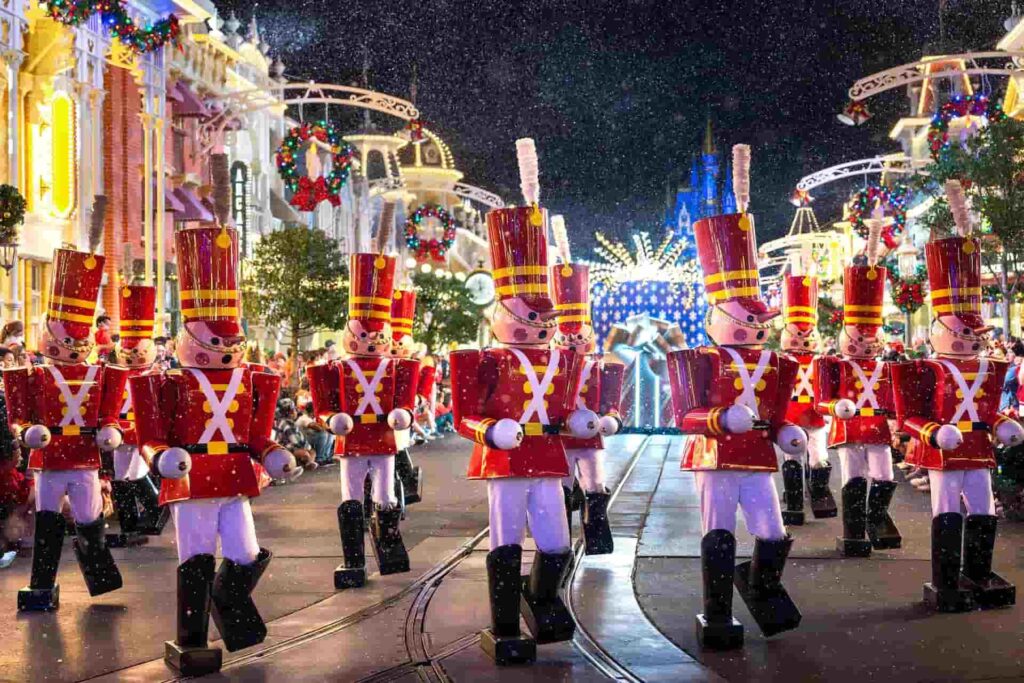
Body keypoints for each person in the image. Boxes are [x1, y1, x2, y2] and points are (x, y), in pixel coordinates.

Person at [130, 225, 299, 676]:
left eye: (231, 340)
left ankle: (225, 602)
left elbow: (258, 434)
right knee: (197, 557)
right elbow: (149, 436)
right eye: (215, 340)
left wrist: (272, 453)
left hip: (235, 477)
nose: (226, 350)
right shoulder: (167, 382)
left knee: (246, 554)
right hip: (191, 477)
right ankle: (193, 640)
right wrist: (160, 456)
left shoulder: (254, 379)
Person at [449, 199, 597, 665]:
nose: (541, 325)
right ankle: (506, 625)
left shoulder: (563, 360)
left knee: (557, 544)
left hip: (548, 458)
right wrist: (491, 431)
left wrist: (577, 421)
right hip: (505, 460)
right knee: (506, 541)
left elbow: (566, 407)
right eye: (532, 316)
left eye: (544, 318)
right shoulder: (486, 360)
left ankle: (539, 596)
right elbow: (463, 417)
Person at [667, 149, 804, 651]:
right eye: (747, 317)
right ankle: (718, 611)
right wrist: (722, 418)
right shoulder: (698, 359)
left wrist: (787, 431)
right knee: (719, 532)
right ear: (720, 315)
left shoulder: (778, 364)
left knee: (773, 533)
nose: (756, 327)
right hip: (715, 454)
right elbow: (684, 416)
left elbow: (779, 414)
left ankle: (760, 584)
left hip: (758, 457)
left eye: (758, 319)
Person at [893, 183, 1020, 613]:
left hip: (978, 449)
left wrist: (1002, 423)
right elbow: (908, 417)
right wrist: (933, 432)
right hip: (944, 451)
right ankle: (947, 579)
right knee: (946, 512)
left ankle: (978, 573)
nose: (973, 338)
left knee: (983, 512)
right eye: (965, 330)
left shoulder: (990, 367)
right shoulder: (926, 368)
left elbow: (988, 409)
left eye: (976, 331)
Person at [2, 249, 128, 611]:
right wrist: (27, 432)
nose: (74, 347)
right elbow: (18, 416)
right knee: (48, 519)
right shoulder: (34, 375)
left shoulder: (101, 374)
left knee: (89, 519)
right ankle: (42, 583)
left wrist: (110, 430)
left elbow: (109, 415)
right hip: (49, 459)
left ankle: (99, 578)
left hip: (83, 457)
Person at [306, 251, 420, 590]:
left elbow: (406, 401)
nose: (371, 342)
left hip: (383, 438)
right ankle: (354, 559)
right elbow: (323, 407)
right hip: (352, 440)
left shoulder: (397, 368)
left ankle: (389, 549)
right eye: (365, 335)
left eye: (377, 336)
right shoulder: (336, 369)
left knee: (385, 495)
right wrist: (332, 419)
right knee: (351, 497)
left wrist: (404, 414)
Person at [815, 225, 901, 558]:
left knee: (884, 476)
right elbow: (822, 402)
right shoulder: (834, 365)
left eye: (871, 336)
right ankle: (853, 531)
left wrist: (895, 420)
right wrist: (836, 407)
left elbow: (893, 401)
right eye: (859, 335)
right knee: (853, 478)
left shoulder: (886, 368)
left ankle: (874, 518)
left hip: (877, 428)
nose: (866, 342)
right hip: (849, 428)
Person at [550, 259, 624, 554]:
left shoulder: (602, 368)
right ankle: (559, 541)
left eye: (578, 337)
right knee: (561, 488)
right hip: (562, 438)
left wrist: (611, 419)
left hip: (591, 438)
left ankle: (597, 537)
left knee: (595, 485)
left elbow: (611, 404)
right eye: (567, 338)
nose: (573, 343)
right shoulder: (551, 368)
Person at [778, 273, 837, 524]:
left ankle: (818, 492)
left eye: (808, 332)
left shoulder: (821, 362)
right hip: (791, 417)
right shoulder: (782, 361)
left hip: (814, 416)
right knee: (792, 456)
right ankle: (794, 499)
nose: (803, 337)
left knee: (818, 456)